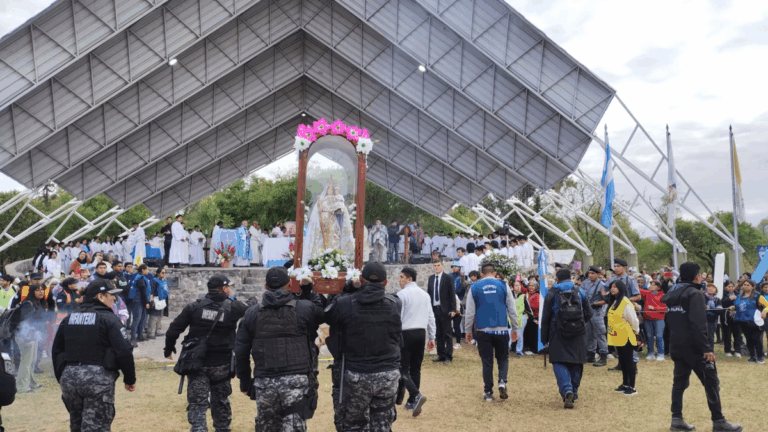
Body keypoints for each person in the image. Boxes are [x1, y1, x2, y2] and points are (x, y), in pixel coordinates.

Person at [234, 267, 324, 430]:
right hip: (295, 380)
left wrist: (245, 383)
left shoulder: (252, 313)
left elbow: (241, 352)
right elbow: (320, 313)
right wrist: (308, 290)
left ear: (266, 286)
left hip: (265, 382)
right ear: (290, 284)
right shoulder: (304, 308)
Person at [663, 262, 742, 432]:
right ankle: (719, 421)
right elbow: (698, 324)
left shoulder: (671, 293)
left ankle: (676, 419)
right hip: (695, 347)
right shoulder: (695, 293)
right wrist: (707, 348)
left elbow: (668, 321)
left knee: (679, 384)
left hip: (676, 345)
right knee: (711, 382)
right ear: (697, 277)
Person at [164, 275, 249, 432]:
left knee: (197, 404)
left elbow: (174, 329)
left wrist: (168, 348)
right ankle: (223, 429)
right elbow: (253, 313)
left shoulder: (194, 307)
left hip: (197, 363)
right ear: (224, 289)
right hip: (222, 364)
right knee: (221, 401)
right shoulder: (235, 306)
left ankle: (199, 428)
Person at [325, 262, 402, 431]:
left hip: (356, 375)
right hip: (387, 374)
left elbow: (328, 315)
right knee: (382, 425)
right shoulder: (395, 303)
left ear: (360, 279)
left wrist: (347, 290)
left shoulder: (346, 303)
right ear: (386, 282)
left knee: (354, 425)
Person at [52, 279, 136, 431]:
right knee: (97, 426)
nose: (114, 299)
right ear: (101, 296)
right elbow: (124, 350)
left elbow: (57, 350)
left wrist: (62, 377)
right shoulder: (109, 319)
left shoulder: (69, 318)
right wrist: (130, 378)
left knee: (76, 424)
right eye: (111, 295)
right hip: (97, 379)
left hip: (69, 379)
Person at [463, 263, 518, 402]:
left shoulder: (474, 287)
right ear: (494, 273)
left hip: (483, 330)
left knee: (487, 362)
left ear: (481, 274)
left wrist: (468, 330)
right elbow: (512, 308)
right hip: (501, 329)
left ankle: (488, 391)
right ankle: (502, 381)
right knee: (503, 358)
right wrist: (515, 328)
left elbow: (469, 312)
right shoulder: (503, 285)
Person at [540, 269, 591, 408]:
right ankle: (574, 391)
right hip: (579, 331)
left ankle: (566, 389)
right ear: (571, 277)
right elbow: (589, 313)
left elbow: (545, 317)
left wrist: (544, 337)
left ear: (557, 278)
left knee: (558, 361)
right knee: (577, 361)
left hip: (557, 330)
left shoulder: (553, 292)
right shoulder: (580, 291)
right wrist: (579, 323)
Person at [396, 267, 435, 417]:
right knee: (416, 368)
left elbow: (398, 317)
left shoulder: (402, 294)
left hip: (405, 333)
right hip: (420, 333)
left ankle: (416, 395)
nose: (399, 280)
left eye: (401, 277)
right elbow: (431, 317)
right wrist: (432, 337)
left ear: (409, 279)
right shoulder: (425, 295)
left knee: (402, 369)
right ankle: (412, 401)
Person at [605, 280, 639, 396]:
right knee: (623, 362)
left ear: (621, 288)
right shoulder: (614, 302)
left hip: (626, 337)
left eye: (615, 287)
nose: (612, 289)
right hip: (617, 337)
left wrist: (637, 332)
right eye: (611, 287)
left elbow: (633, 320)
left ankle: (632, 386)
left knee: (629, 362)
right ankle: (625, 384)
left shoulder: (625, 302)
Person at [428, 260, 457, 364]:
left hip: (445, 309)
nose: (436, 267)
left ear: (442, 267)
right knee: (438, 333)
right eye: (435, 266)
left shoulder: (448, 278)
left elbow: (452, 294)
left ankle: (448, 356)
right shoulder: (431, 279)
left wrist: (453, 309)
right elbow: (429, 294)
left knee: (447, 334)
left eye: (438, 265)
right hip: (434, 309)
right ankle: (441, 354)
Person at [731, 280, 764, 363]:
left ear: (752, 287)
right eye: (744, 285)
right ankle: (752, 356)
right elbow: (737, 306)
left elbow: (766, 305)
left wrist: (764, 311)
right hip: (742, 320)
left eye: (748, 285)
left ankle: (760, 357)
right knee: (748, 339)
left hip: (755, 321)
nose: (745, 286)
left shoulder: (758, 296)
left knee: (757, 339)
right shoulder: (739, 296)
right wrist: (733, 307)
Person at [582, 266, 608, 366]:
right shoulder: (585, 283)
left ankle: (603, 355)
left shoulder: (602, 285)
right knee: (589, 333)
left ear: (598, 274)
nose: (590, 275)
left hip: (597, 312)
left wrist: (596, 304)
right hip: (587, 311)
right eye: (589, 273)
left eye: (593, 273)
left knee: (600, 334)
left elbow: (605, 300)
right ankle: (591, 354)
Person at [640, 280, 667, 361]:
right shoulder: (647, 293)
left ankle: (660, 354)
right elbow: (638, 290)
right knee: (649, 337)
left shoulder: (662, 295)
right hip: (647, 319)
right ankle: (651, 353)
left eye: (653, 285)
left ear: (658, 287)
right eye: (650, 284)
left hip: (659, 319)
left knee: (659, 337)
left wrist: (654, 308)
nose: (650, 286)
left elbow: (665, 309)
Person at [720, 281, 743, 357]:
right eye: (729, 286)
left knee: (737, 334)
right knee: (727, 334)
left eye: (732, 286)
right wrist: (729, 299)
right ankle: (728, 350)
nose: (731, 288)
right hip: (726, 317)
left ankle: (738, 350)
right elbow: (721, 303)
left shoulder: (737, 293)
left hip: (737, 316)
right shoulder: (722, 293)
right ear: (725, 287)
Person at [512, 279, 533, 358]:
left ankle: (519, 350)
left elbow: (528, 308)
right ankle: (506, 348)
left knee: (520, 334)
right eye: (515, 285)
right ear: (513, 287)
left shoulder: (523, 296)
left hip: (522, 317)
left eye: (518, 285)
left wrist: (532, 317)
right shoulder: (509, 296)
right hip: (511, 317)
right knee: (509, 332)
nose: (517, 287)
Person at [147, 268, 169, 339]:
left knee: (159, 317)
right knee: (153, 317)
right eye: (162, 273)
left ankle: (158, 331)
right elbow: (151, 291)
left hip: (162, 300)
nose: (164, 274)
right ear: (158, 273)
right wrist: (151, 301)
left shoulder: (163, 281)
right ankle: (151, 333)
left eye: (165, 272)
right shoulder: (154, 281)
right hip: (156, 300)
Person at [704, 283, 722, 353]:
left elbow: (719, 310)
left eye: (712, 287)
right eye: (709, 287)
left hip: (712, 320)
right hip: (701, 319)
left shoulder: (717, 300)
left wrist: (710, 308)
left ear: (716, 290)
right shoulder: (702, 297)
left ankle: (710, 351)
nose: (710, 288)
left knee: (710, 337)